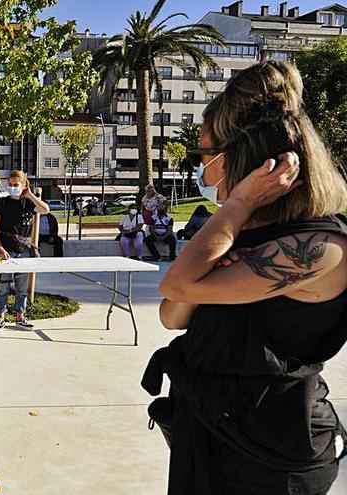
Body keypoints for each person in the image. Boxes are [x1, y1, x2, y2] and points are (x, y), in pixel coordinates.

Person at [145, 60, 347, 494]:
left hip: (271, 456)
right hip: (217, 436)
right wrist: (235, 216)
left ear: (246, 159)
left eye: (205, 155)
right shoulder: (241, 234)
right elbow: (172, 315)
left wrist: (237, 204)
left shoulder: (318, 247)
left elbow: (176, 287)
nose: (200, 168)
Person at [0, 170, 50, 329]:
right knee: (3, 285)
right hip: (6, 250)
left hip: (24, 250)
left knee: (21, 287)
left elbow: (45, 210)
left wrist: (30, 195)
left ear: (23, 185)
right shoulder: (1, 203)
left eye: (15, 185)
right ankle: (1, 316)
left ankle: (20, 316)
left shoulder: (29, 203)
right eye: (9, 184)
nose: (12, 187)